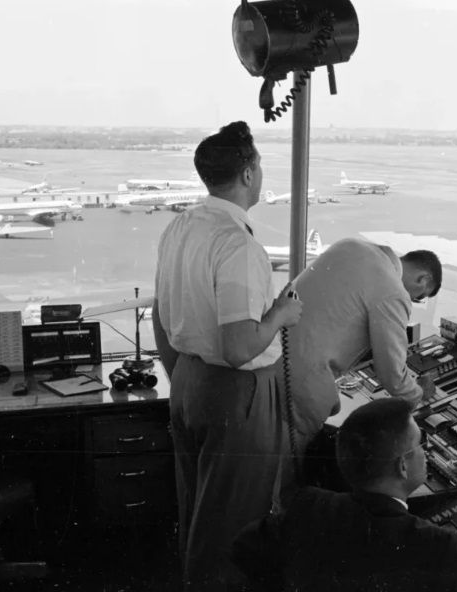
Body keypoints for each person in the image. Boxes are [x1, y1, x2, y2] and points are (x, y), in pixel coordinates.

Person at [151, 121, 303, 592]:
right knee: (234, 526)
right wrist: (280, 315)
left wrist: (185, 375)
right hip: (236, 395)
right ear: (249, 173)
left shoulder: (179, 227)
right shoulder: (238, 244)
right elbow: (239, 349)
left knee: (197, 509)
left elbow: (159, 313)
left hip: (189, 381)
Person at [233, 397, 457, 592]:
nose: (425, 453)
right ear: (402, 466)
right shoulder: (436, 545)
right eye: (420, 444)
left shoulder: (308, 505)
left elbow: (243, 548)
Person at [283, 237, 441, 455]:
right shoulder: (393, 291)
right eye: (419, 297)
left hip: (273, 357)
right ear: (423, 279)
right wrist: (419, 393)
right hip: (300, 385)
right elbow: (393, 376)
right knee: (288, 461)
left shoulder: (350, 245)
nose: (413, 300)